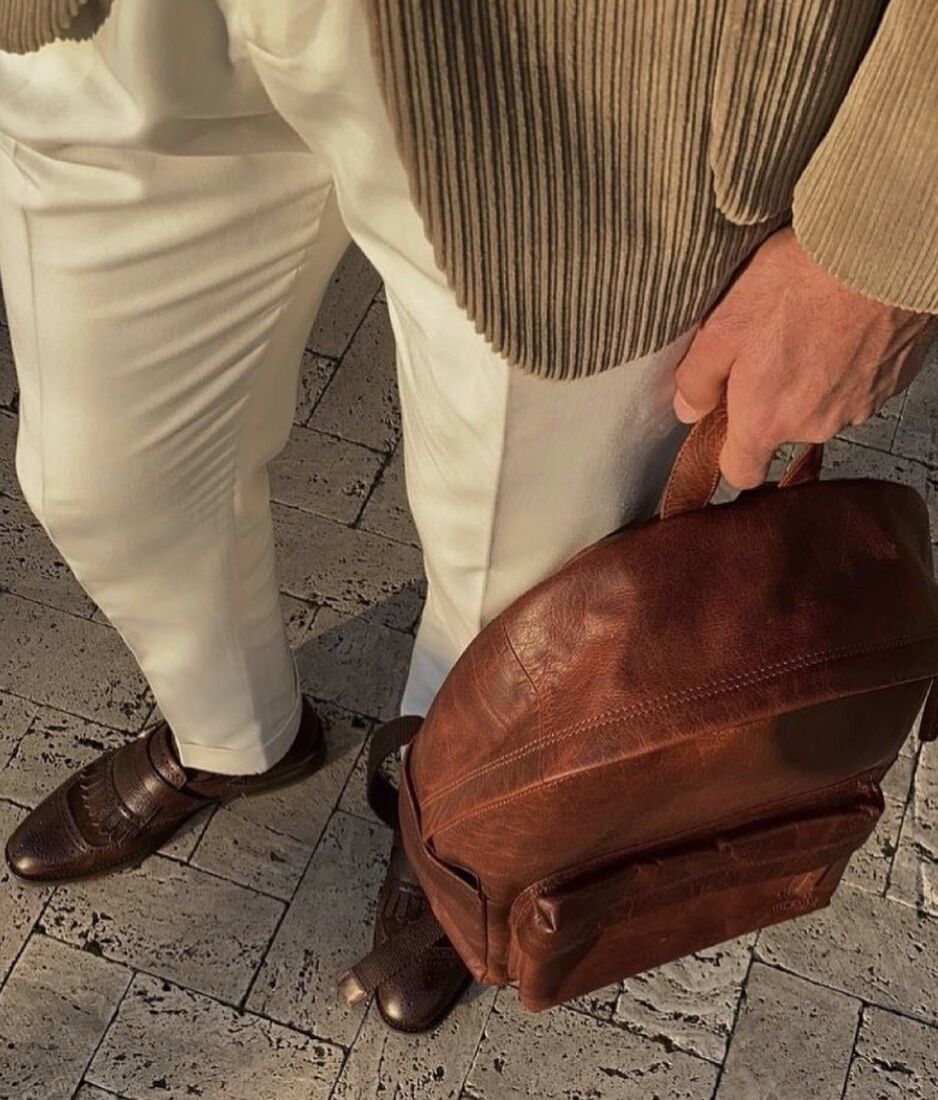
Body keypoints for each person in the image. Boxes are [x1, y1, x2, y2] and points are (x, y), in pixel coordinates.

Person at [0, 0, 935, 1033]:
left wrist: (883, 240)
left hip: (605, 88)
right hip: (125, 29)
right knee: (103, 475)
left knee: (532, 600)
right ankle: (232, 733)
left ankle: (457, 836)